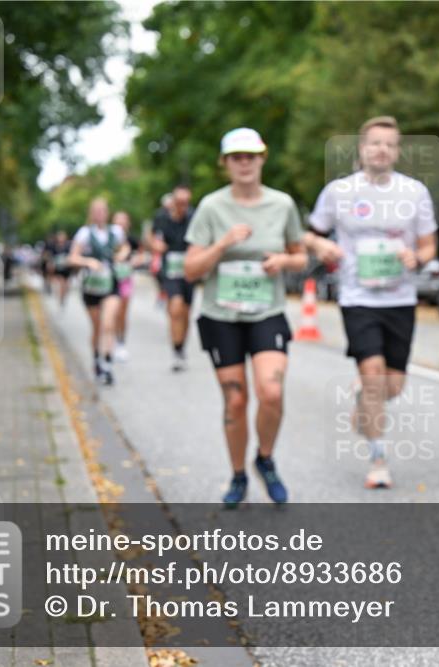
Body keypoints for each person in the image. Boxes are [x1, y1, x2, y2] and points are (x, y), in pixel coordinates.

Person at [304, 116, 437, 490]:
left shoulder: (414, 193)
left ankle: (364, 398)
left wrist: (418, 257)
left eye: (389, 144)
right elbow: (309, 236)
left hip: (400, 298)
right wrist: (321, 245)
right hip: (357, 296)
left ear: (397, 151)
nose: (381, 149)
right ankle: (378, 459)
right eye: (375, 143)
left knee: (392, 385)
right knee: (374, 372)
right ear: (361, 148)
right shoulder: (339, 192)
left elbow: (428, 245)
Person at [184, 128, 306, 508]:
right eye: (236, 156)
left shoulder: (282, 204)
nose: (244, 163)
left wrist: (283, 261)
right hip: (221, 315)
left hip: (266, 312)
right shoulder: (211, 207)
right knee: (235, 400)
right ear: (225, 164)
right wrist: (222, 244)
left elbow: (301, 256)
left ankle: (264, 459)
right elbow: (190, 270)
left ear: (262, 159)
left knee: (271, 391)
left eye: (250, 155)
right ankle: (237, 475)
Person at [68, 197, 127, 386]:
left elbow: (125, 246)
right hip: (92, 285)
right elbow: (72, 258)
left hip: (110, 283)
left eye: (103, 210)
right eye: (97, 210)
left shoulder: (116, 232)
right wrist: (88, 262)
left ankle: (108, 363)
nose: (100, 214)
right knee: (97, 328)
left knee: (109, 324)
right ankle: (96, 359)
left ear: (107, 212)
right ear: (92, 213)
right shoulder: (84, 233)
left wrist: (122, 254)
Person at [150, 185, 195, 371]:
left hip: (189, 270)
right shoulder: (162, 217)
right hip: (170, 271)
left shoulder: (194, 217)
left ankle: (181, 346)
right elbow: (152, 236)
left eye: (186, 203)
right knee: (175, 307)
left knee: (185, 312)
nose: (182, 207)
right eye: (179, 203)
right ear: (173, 202)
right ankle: (176, 350)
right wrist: (156, 245)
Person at [112, 210, 146, 361]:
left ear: (128, 223)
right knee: (112, 311)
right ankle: (110, 340)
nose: (120, 223)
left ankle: (121, 342)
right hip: (111, 279)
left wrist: (134, 262)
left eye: (123, 220)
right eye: (117, 220)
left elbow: (141, 254)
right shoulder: (108, 238)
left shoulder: (132, 239)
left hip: (125, 279)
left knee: (123, 312)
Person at [48, 230, 74, 307]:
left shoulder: (68, 246)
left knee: (66, 285)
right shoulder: (54, 246)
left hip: (66, 268)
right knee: (61, 283)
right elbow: (51, 257)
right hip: (58, 267)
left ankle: (63, 296)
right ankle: (60, 297)